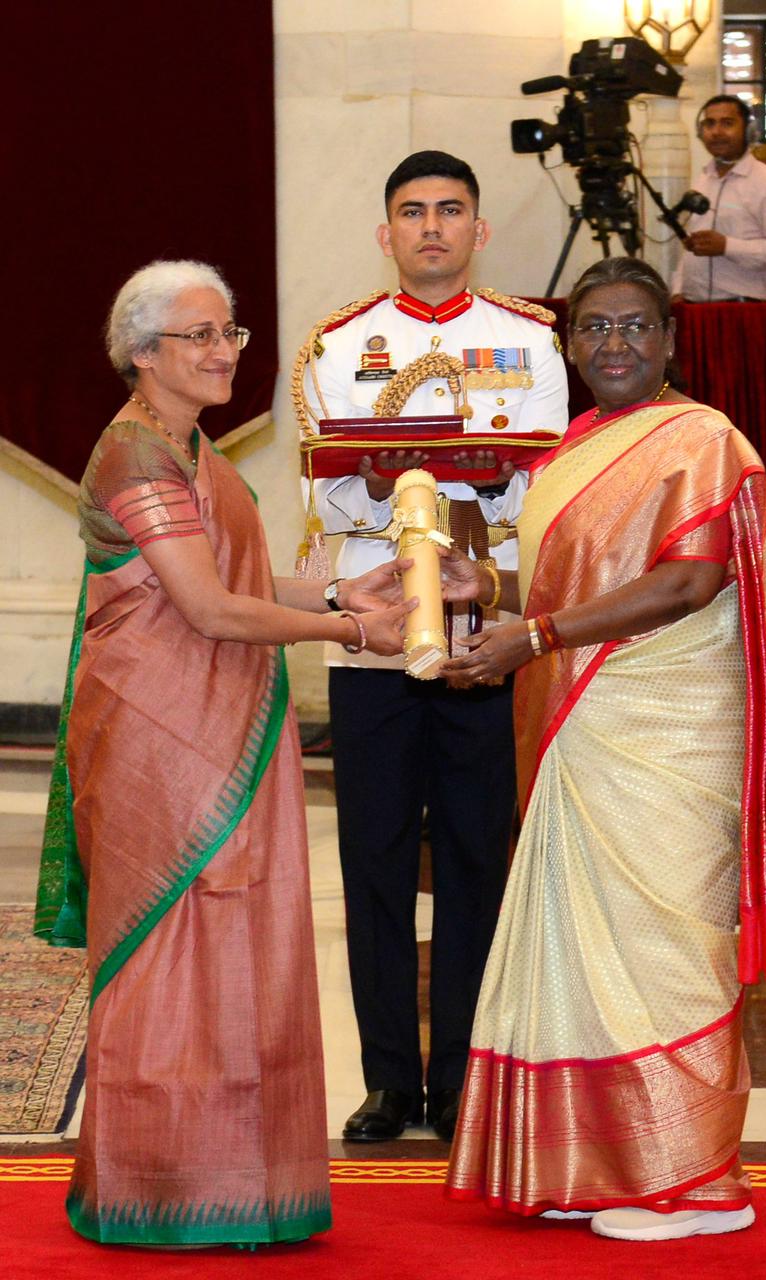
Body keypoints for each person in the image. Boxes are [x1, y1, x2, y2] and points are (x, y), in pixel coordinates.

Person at [33, 259, 416, 1249]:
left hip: (220, 720)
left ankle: (236, 1183)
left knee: (238, 949)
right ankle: (155, 1188)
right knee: (172, 955)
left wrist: (346, 597)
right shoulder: (133, 458)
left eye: (230, 333)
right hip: (158, 740)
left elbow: (235, 577)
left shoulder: (189, 450)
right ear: (141, 352)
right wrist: (349, 634)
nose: (222, 351)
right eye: (200, 334)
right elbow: (203, 606)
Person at [441, 257, 766, 1241]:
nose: (613, 343)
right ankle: (599, 1159)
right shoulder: (569, 448)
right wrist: (485, 596)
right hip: (583, 727)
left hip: (670, 734)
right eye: (595, 328)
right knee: (582, 951)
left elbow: (682, 587)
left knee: (664, 950)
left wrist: (531, 637)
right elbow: (565, 600)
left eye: (633, 326)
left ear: (667, 340)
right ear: (570, 348)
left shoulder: (700, 437)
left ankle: (693, 1180)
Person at [292, 150, 569, 1143]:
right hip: (370, 634)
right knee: (369, 859)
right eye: (411, 212)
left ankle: (457, 1076)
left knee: (469, 857)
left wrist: (470, 478)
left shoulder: (528, 341)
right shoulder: (339, 343)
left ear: (479, 229)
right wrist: (381, 479)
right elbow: (317, 492)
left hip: (477, 628)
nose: (431, 227)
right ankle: (382, 1081)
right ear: (385, 233)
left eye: (450, 210)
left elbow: (545, 485)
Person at [671, 94, 766, 302]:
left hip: (743, 311)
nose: (716, 132)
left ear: (748, 131)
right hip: (694, 309)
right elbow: (690, 247)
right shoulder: (703, 179)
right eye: (709, 124)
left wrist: (727, 246)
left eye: (727, 123)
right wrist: (678, 290)